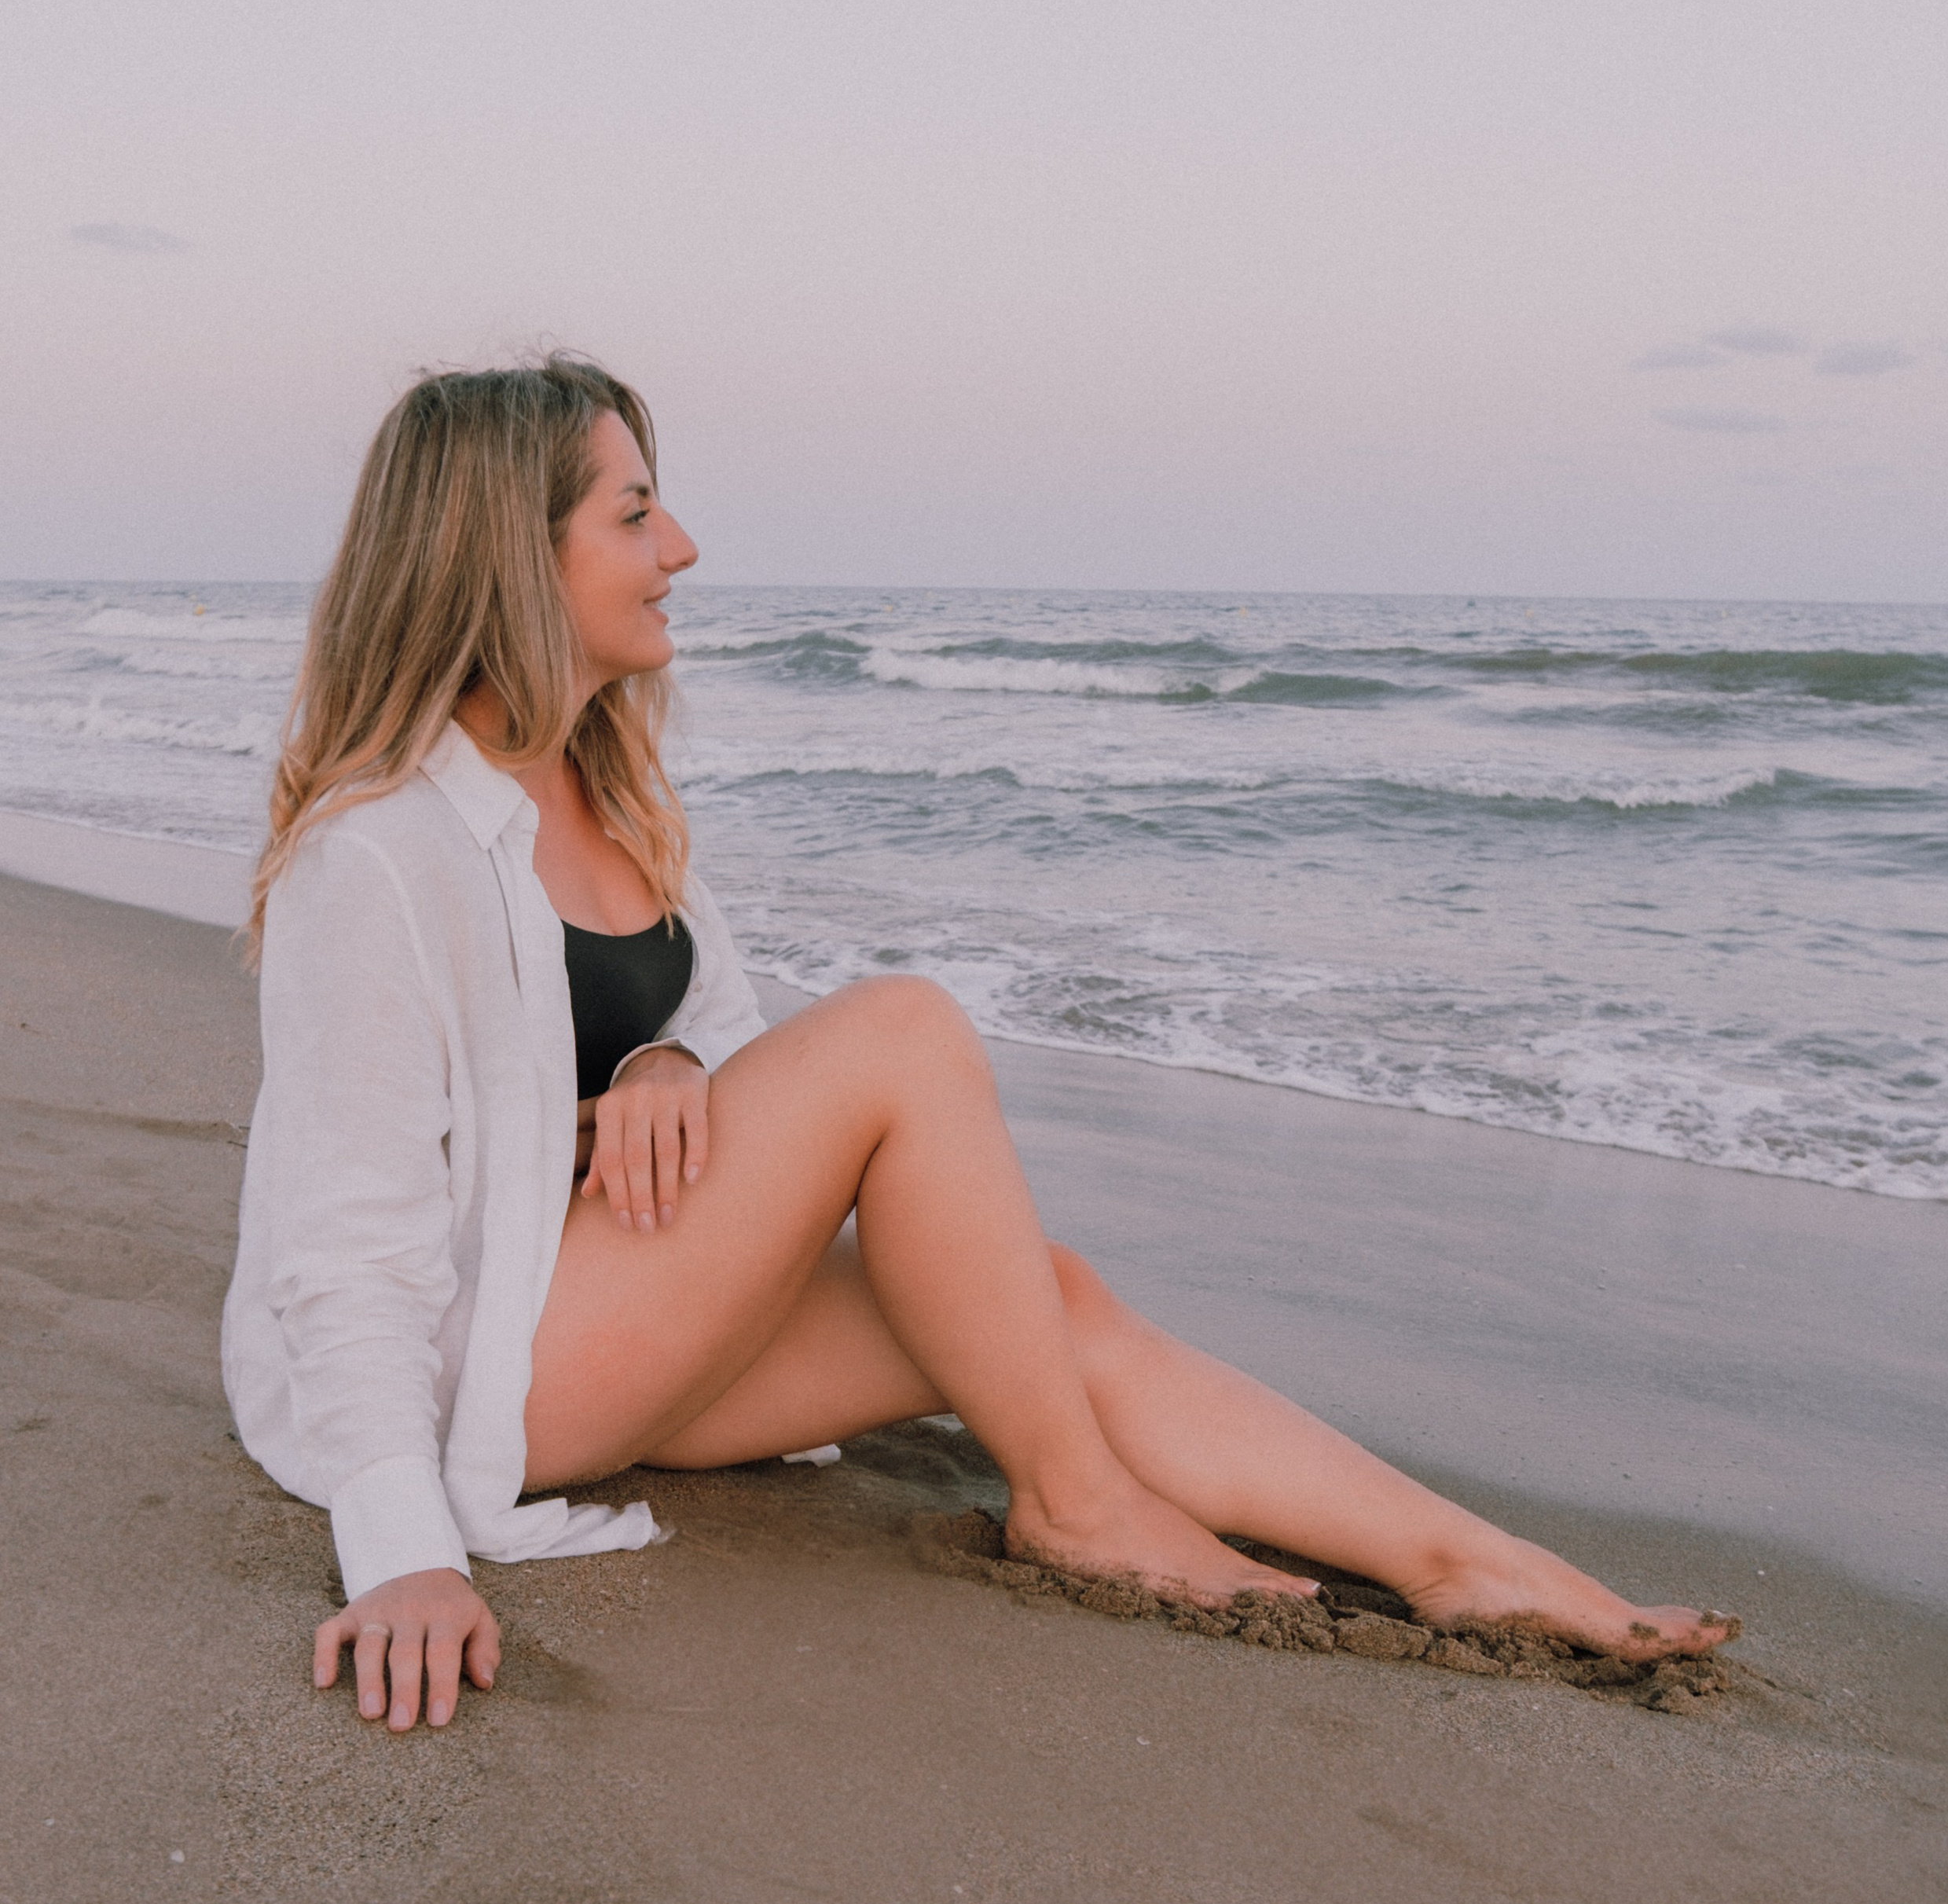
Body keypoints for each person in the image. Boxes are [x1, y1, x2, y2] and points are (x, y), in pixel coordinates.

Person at [223, 356, 1732, 1733]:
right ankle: (1078, 1509)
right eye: (633, 513)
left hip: (632, 1297)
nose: (680, 546)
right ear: (509, 552)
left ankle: (1472, 1561)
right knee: (904, 1033)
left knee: (1041, 1301)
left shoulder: (606, 791)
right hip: (493, 1368)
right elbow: (342, 1244)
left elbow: (726, 1050)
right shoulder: (380, 853)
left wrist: (661, 1063)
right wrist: (402, 1552)